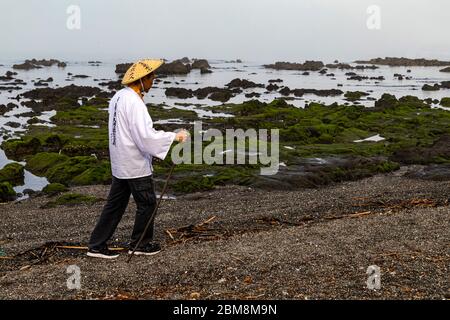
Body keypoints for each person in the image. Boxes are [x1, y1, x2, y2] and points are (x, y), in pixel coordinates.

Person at [87, 59, 188, 259]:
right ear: (142, 80)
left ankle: (96, 245)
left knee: (115, 204)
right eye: (152, 77)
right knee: (147, 203)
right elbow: (145, 137)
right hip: (133, 163)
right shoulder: (134, 102)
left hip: (120, 160)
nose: (154, 80)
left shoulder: (118, 97)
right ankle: (140, 244)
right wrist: (175, 136)